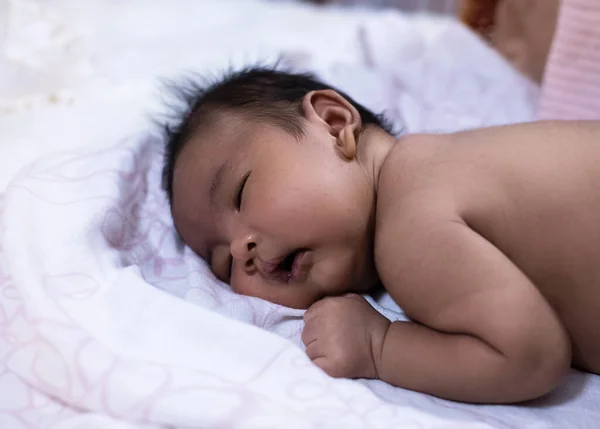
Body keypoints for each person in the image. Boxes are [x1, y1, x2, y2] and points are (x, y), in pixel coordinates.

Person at [163, 66, 600, 404]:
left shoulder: (409, 220)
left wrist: (380, 347)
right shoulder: (439, 164)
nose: (243, 249)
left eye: (241, 194)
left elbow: (530, 357)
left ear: (334, 124)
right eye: (223, 263)